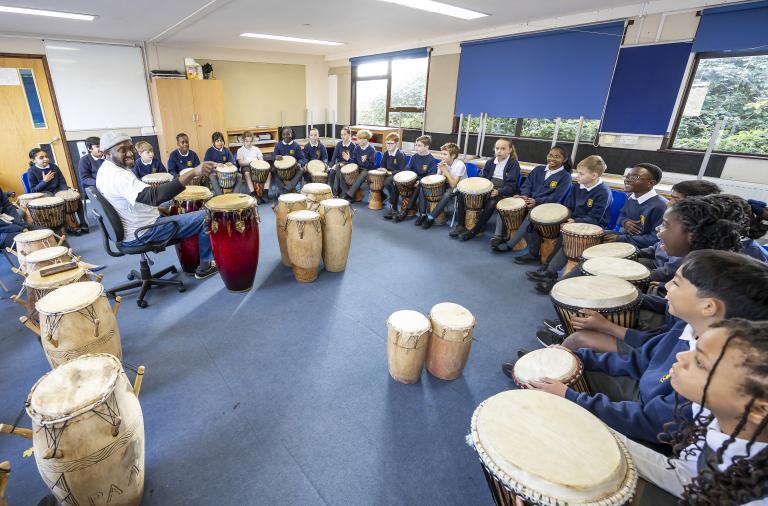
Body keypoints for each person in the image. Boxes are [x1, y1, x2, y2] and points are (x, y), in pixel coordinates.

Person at [519, 250, 768, 446]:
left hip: (644, 420)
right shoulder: (686, 329)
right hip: (645, 393)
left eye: (677, 284)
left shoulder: (710, 375)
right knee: (576, 349)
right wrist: (572, 358)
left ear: (708, 307)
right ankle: (542, 371)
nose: (667, 286)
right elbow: (639, 360)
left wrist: (572, 396)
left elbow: (648, 421)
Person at [540, 197, 744, 352]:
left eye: (665, 225)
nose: (658, 228)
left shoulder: (702, 280)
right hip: (661, 339)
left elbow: (663, 343)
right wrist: (636, 296)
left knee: (581, 337)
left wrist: (609, 327)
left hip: (654, 354)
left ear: (692, 235)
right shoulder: (698, 266)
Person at [615, 319, 768, 503]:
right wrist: (604, 435)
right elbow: (687, 473)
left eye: (700, 362)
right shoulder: (714, 415)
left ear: (759, 409)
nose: (681, 356)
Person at [96, 131, 217, 279]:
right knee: (209, 215)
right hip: (143, 232)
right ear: (107, 153)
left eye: (130, 148)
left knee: (170, 203)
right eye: (122, 150)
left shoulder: (105, 170)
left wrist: (156, 209)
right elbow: (154, 197)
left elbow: (133, 201)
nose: (129, 153)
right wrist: (193, 172)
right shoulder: (118, 175)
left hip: (132, 225)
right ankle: (206, 265)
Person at [522, 155, 613, 290]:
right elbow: (568, 205)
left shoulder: (603, 192)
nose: (577, 176)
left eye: (581, 174)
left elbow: (596, 218)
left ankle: (551, 273)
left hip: (593, 226)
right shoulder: (578, 186)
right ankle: (548, 269)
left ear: (594, 175)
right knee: (560, 233)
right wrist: (565, 218)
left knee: (567, 239)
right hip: (574, 222)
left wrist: (575, 221)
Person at [636, 179, 722, 284]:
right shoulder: (674, 219)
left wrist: (641, 278)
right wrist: (636, 253)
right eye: (671, 198)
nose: (669, 203)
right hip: (657, 263)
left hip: (665, 276)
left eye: (676, 199)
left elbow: (669, 272)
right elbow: (657, 246)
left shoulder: (690, 235)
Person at [494, 146, 574, 256]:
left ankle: (510, 244)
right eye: (550, 155)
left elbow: (557, 197)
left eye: (557, 156)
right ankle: (498, 236)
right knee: (505, 206)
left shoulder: (565, 176)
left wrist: (536, 201)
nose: (552, 158)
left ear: (564, 160)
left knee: (531, 214)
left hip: (549, 206)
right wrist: (525, 196)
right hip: (530, 200)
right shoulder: (539, 169)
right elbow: (527, 184)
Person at [450, 138, 521, 240]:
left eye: (503, 148)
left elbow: (511, 186)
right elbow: (483, 179)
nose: (499, 151)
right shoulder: (491, 162)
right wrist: (479, 188)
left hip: (503, 191)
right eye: (497, 148)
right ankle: (461, 225)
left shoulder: (513, 164)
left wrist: (498, 191)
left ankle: (475, 230)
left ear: (510, 150)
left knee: (492, 202)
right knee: (462, 195)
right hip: (488, 187)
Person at [26, 148, 87, 234]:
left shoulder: (54, 166)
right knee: (58, 202)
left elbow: (62, 182)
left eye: (46, 156)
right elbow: (33, 191)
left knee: (75, 196)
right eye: (41, 157)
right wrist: (44, 181)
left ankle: (83, 223)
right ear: (33, 160)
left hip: (57, 190)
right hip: (44, 194)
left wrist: (68, 189)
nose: (45, 159)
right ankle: (67, 226)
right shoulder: (31, 171)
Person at [606, 163, 667, 248]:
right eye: (627, 176)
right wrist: (625, 222)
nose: (627, 180)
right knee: (596, 234)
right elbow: (621, 215)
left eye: (634, 177)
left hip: (642, 246)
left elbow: (655, 238)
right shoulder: (630, 196)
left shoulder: (660, 206)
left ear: (651, 183)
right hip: (626, 237)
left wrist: (620, 238)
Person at [420, 142, 467, 229]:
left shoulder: (460, 165)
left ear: (453, 156)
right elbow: (438, 181)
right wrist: (441, 170)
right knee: (424, 188)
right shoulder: (443, 163)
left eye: (445, 154)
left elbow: (453, 185)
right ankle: (422, 214)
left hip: (459, 187)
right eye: (441, 153)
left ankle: (431, 218)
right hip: (446, 183)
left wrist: (445, 171)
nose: (442, 156)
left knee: (447, 194)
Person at [393, 135, 437, 223]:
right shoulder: (415, 156)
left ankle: (410, 212)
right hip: (414, 178)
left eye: (419, 145)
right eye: (416, 145)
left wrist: (420, 181)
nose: (416, 147)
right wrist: (403, 177)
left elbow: (431, 176)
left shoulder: (431, 159)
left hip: (424, 182)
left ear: (426, 147)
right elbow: (408, 168)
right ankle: (393, 208)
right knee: (396, 182)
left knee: (418, 187)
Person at [339, 129, 376, 202]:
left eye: (360, 139)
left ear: (366, 140)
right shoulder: (357, 148)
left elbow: (372, 166)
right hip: (358, 167)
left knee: (362, 175)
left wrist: (365, 161)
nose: (358, 141)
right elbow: (354, 162)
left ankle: (350, 195)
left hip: (367, 169)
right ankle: (346, 192)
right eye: (358, 139)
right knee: (342, 171)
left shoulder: (371, 150)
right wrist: (348, 159)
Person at [271, 127, 305, 196]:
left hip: (293, 169)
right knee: (273, 170)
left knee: (301, 170)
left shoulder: (296, 146)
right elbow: (273, 157)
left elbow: (302, 158)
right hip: (280, 169)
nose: (285, 136)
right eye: (284, 134)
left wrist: (299, 163)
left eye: (288, 134)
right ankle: (282, 189)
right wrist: (275, 157)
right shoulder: (278, 145)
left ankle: (286, 189)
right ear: (282, 135)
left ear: (291, 135)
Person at [236, 131, 264, 197]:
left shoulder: (256, 149)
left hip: (256, 166)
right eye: (247, 141)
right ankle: (252, 193)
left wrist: (259, 163)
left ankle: (264, 193)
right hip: (246, 166)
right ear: (243, 141)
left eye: (250, 141)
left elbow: (261, 160)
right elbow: (241, 163)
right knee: (247, 173)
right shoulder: (240, 150)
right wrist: (251, 162)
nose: (249, 143)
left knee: (268, 173)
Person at [329, 126, 357, 195]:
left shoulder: (353, 146)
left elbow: (354, 161)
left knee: (338, 167)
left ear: (349, 135)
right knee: (332, 171)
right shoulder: (339, 144)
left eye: (345, 134)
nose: (342, 136)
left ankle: (338, 190)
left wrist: (346, 160)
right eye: (341, 135)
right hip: (339, 164)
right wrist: (331, 166)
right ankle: (331, 190)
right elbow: (334, 157)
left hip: (349, 164)